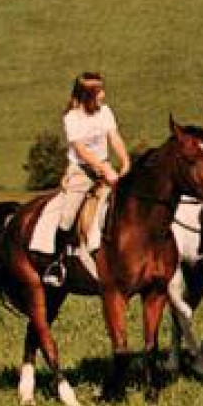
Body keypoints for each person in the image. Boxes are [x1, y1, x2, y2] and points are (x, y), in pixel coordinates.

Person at [45, 72, 130, 288]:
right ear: (86, 95)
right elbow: (81, 150)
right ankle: (57, 263)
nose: (103, 95)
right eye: (99, 91)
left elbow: (115, 137)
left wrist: (125, 161)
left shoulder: (106, 112)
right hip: (81, 172)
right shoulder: (72, 118)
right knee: (67, 216)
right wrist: (102, 168)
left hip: (105, 168)